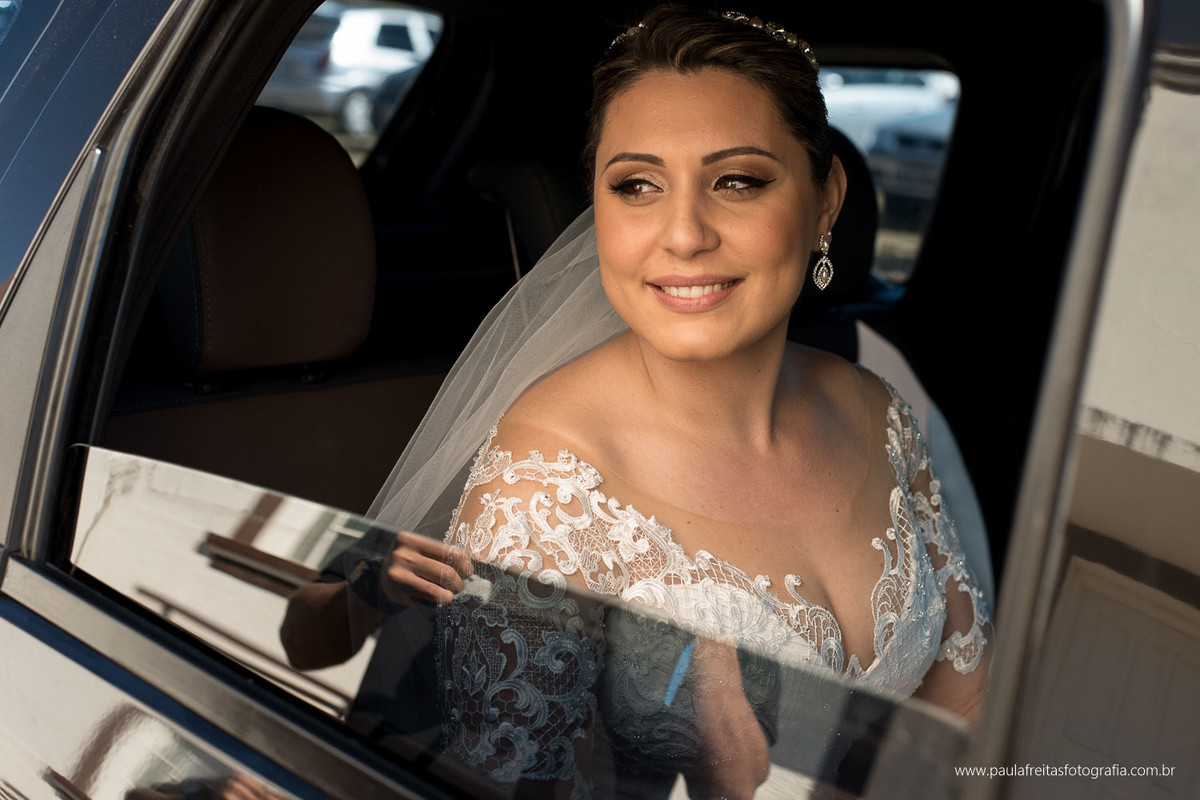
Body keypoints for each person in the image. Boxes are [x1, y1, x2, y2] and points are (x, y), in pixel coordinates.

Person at [284, 5, 991, 798]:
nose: (684, 234)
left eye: (737, 181)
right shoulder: (544, 491)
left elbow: (964, 702)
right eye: (638, 186)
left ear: (826, 200)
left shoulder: (876, 408)